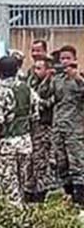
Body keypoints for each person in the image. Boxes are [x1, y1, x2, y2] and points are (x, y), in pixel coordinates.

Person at [0, 55, 37, 204]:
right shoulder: (27, 89)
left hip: (6, 145)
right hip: (25, 143)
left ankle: (14, 221)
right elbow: (35, 117)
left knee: (8, 187)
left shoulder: (0, 91)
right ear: (16, 70)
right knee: (23, 184)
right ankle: (24, 219)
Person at [48, 45, 84, 203]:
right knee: (61, 163)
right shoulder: (57, 79)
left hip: (75, 129)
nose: (65, 62)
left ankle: (80, 200)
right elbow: (46, 96)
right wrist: (47, 77)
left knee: (77, 164)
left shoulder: (80, 78)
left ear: (75, 59)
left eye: (68, 58)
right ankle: (68, 194)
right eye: (62, 58)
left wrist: (77, 78)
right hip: (58, 127)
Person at [29, 55, 57, 197]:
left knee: (44, 161)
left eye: (39, 68)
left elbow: (48, 102)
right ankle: (34, 189)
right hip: (36, 126)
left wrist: (37, 101)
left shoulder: (52, 84)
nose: (35, 71)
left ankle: (43, 190)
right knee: (35, 160)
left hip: (47, 126)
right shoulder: (33, 82)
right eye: (34, 68)